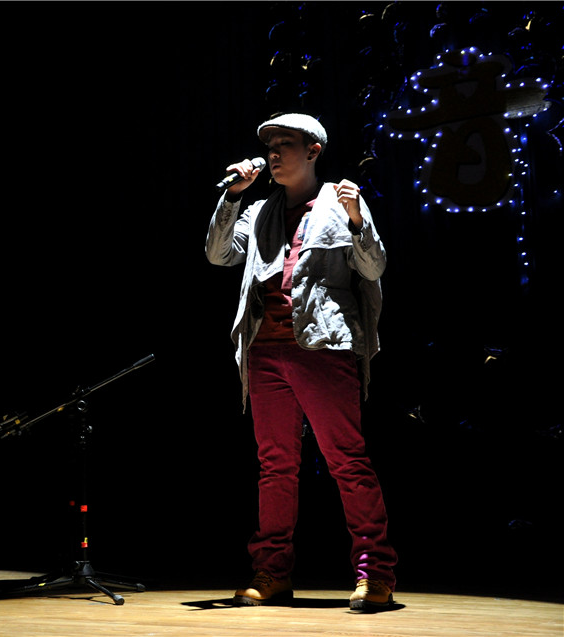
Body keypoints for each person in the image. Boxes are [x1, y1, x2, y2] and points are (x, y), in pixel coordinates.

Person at [205, 113, 397, 611]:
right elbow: (219, 255)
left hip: (323, 347)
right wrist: (232, 197)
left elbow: (374, 266)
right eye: (269, 145)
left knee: (347, 461)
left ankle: (375, 573)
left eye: (284, 144)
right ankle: (272, 572)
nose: (273, 153)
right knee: (275, 467)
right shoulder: (258, 210)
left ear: (313, 151)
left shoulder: (339, 200)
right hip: (265, 351)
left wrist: (357, 220)